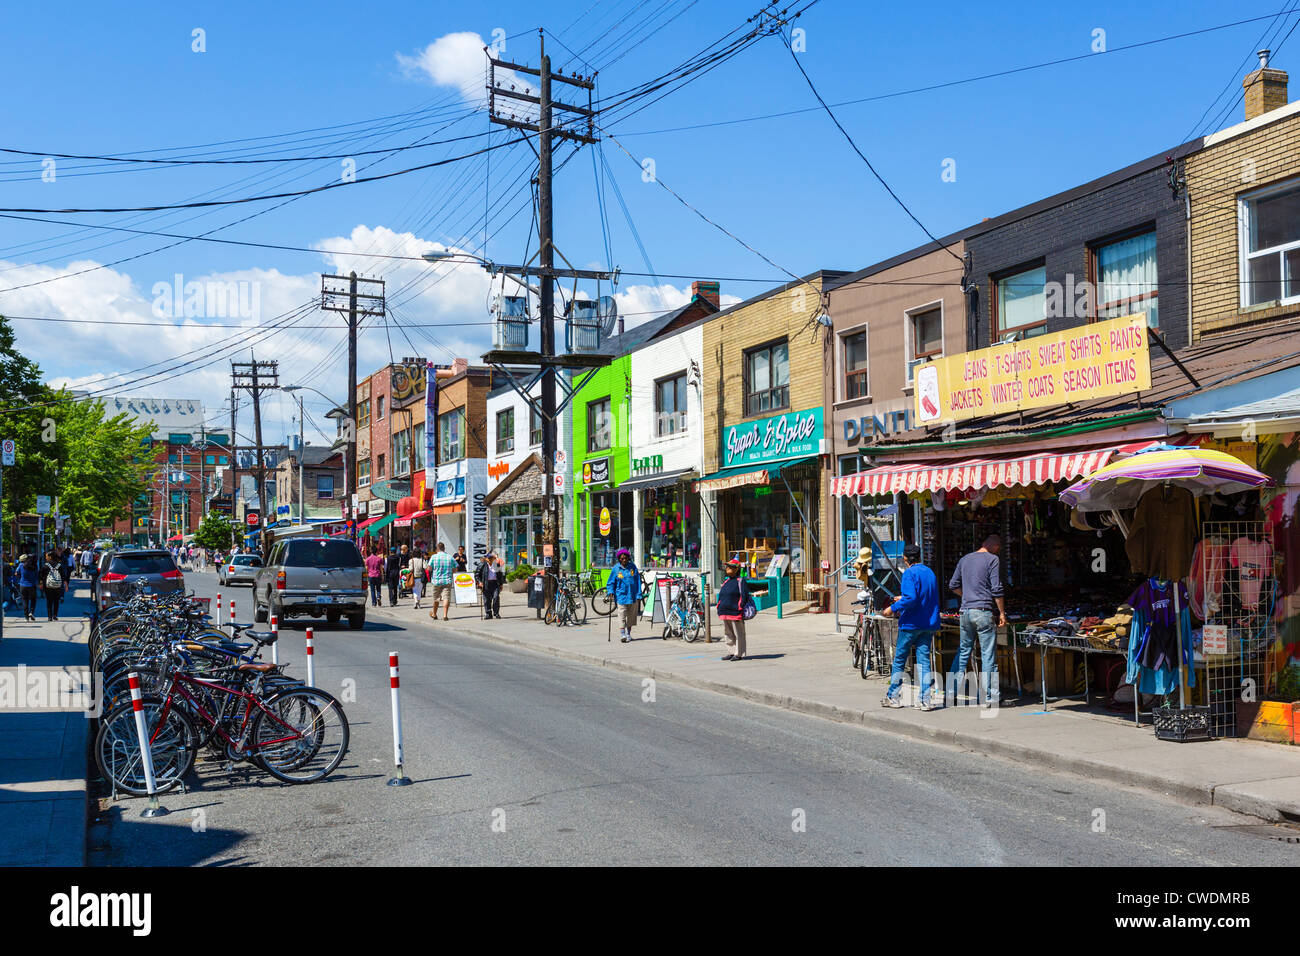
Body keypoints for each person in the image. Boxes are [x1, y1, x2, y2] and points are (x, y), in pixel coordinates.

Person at [948, 534, 1008, 708]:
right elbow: (997, 588)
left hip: (965, 611)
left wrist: (967, 595)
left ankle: (951, 692)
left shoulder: (965, 559)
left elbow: (953, 585)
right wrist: (1002, 612)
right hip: (983, 611)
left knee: (963, 652)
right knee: (989, 656)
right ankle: (991, 697)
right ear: (996, 547)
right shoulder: (993, 559)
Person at [880, 544, 940, 710]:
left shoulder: (909, 573)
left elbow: (912, 598)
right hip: (928, 623)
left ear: (905, 558)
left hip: (911, 623)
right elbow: (922, 596)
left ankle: (893, 696)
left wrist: (892, 608)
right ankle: (924, 700)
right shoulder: (929, 572)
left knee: (899, 659)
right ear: (919, 557)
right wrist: (903, 598)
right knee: (923, 661)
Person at [715, 557, 750, 661]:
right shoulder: (726, 581)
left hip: (736, 611)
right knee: (728, 632)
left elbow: (744, 596)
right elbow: (721, 595)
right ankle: (731, 651)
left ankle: (739, 653)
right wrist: (719, 606)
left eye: (730, 567)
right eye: (727, 567)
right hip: (725, 611)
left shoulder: (740, 581)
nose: (727, 568)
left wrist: (740, 607)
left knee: (739, 633)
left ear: (736, 569)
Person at [606, 548, 643, 643]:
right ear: (619, 559)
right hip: (621, 596)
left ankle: (628, 633)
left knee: (631, 616)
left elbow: (637, 581)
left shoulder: (632, 567)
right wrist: (610, 591)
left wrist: (639, 594)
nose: (624, 560)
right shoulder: (616, 569)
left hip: (632, 596)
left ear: (628, 558)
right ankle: (622, 634)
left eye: (625, 558)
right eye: (622, 558)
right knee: (622, 615)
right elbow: (610, 583)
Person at [426, 543, 455, 620]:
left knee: (436, 598)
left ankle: (434, 614)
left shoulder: (434, 557)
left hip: (436, 581)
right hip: (447, 580)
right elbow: (455, 568)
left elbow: (428, 568)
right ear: (444, 548)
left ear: (437, 549)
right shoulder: (450, 557)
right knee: (446, 598)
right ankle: (445, 615)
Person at [477, 552, 503, 619]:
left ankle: (496, 613)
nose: (490, 559)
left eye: (491, 558)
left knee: (496, 597)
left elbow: (500, 575)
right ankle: (488, 613)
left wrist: (501, 584)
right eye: (489, 558)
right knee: (487, 599)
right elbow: (477, 575)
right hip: (486, 583)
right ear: (486, 559)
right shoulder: (482, 565)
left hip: (495, 583)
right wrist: (479, 582)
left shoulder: (496, 565)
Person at [41, 549, 64, 621]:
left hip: (48, 586)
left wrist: (41, 583)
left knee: (49, 601)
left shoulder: (45, 565)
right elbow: (63, 575)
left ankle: (49, 616)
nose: (46, 558)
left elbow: (41, 575)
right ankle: (55, 615)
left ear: (50, 557)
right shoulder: (59, 565)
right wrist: (65, 585)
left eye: (47, 556)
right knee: (56, 601)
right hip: (57, 586)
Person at [17, 554, 38, 621]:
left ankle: (26, 617)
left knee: (24, 600)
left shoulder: (21, 565)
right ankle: (31, 612)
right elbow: (36, 575)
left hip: (23, 585)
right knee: (33, 600)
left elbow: (17, 573)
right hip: (32, 585)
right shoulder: (35, 566)